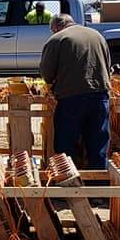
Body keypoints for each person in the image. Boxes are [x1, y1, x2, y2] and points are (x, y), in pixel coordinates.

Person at [40, 14, 112, 168]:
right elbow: (107, 65)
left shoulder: (57, 39)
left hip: (71, 98)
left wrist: (52, 84)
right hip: (100, 96)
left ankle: (68, 187)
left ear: (56, 27)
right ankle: (101, 189)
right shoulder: (97, 36)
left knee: (65, 147)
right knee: (98, 147)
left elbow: (47, 73)